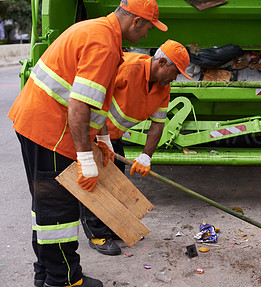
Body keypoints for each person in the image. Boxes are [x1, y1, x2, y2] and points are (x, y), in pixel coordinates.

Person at [7, 0, 167, 286]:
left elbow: (93, 101)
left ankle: (44, 272)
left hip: (36, 123)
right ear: (136, 22)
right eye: (148, 28)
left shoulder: (98, 31)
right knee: (60, 212)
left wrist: (103, 138)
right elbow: (79, 106)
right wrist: (85, 158)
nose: (146, 36)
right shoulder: (105, 44)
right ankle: (65, 280)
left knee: (43, 207)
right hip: (52, 132)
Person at [80, 40, 191, 256]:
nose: (175, 77)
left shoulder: (163, 88)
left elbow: (158, 124)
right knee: (94, 181)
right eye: (175, 71)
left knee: (114, 181)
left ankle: (110, 227)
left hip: (113, 136)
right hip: (92, 130)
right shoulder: (128, 68)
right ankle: (97, 234)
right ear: (160, 62)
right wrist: (99, 138)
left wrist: (145, 157)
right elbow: (96, 99)